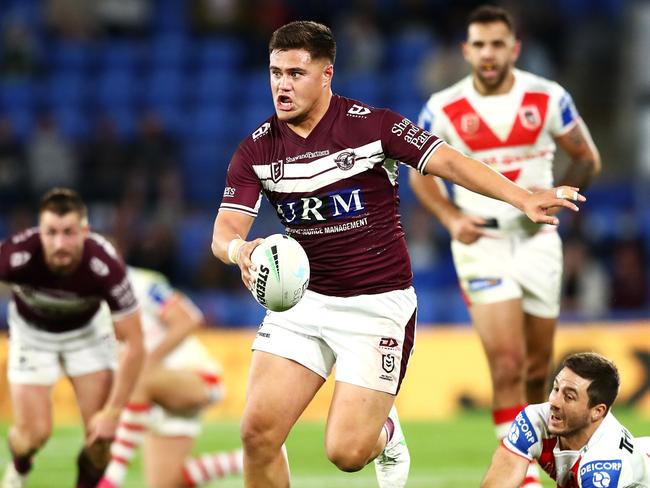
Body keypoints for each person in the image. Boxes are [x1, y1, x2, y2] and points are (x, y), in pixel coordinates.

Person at [211, 20, 584, 488]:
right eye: (275, 73)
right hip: (301, 304)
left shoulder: (373, 126)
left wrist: (521, 197)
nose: (282, 85)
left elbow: (450, 161)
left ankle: (386, 434)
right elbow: (225, 228)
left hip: (375, 306)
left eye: (295, 73)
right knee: (257, 435)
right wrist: (238, 248)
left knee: (346, 454)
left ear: (327, 74)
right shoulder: (257, 149)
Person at [409, 5, 601, 486]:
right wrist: (451, 218)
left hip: (538, 240)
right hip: (482, 241)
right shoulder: (442, 107)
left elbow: (587, 158)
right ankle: (522, 477)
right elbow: (419, 172)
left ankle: (541, 460)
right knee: (508, 362)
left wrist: (559, 196)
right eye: (479, 44)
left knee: (539, 368)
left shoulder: (547, 96)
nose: (488, 54)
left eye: (498, 44)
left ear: (514, 48)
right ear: (466, 51)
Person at [0, 188, 144, 488]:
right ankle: (19, 465)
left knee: (101, 438)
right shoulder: (16, 255)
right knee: (32, 437)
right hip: (32, 335)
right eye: (51, 232)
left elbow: (135, 343)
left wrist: (114, 412)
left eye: (69, 233)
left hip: (87, 336)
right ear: (40, 231)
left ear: (85, 231)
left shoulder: (105, 266)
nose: (59, 243)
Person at [98, 266, 243, 488]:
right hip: (157, 398)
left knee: (136, 372)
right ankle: (247, 459)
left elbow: (188, 318)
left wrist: (147, 361)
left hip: (196, 377)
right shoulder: (84, 305)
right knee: (166, 483)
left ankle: (111, 479)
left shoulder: (137, 282)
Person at [482, 352, 650, 487]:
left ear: (597, 412)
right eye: (555, 388)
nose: (554, 402)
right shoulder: (537, 420)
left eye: (569, 396)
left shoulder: (603, 464)